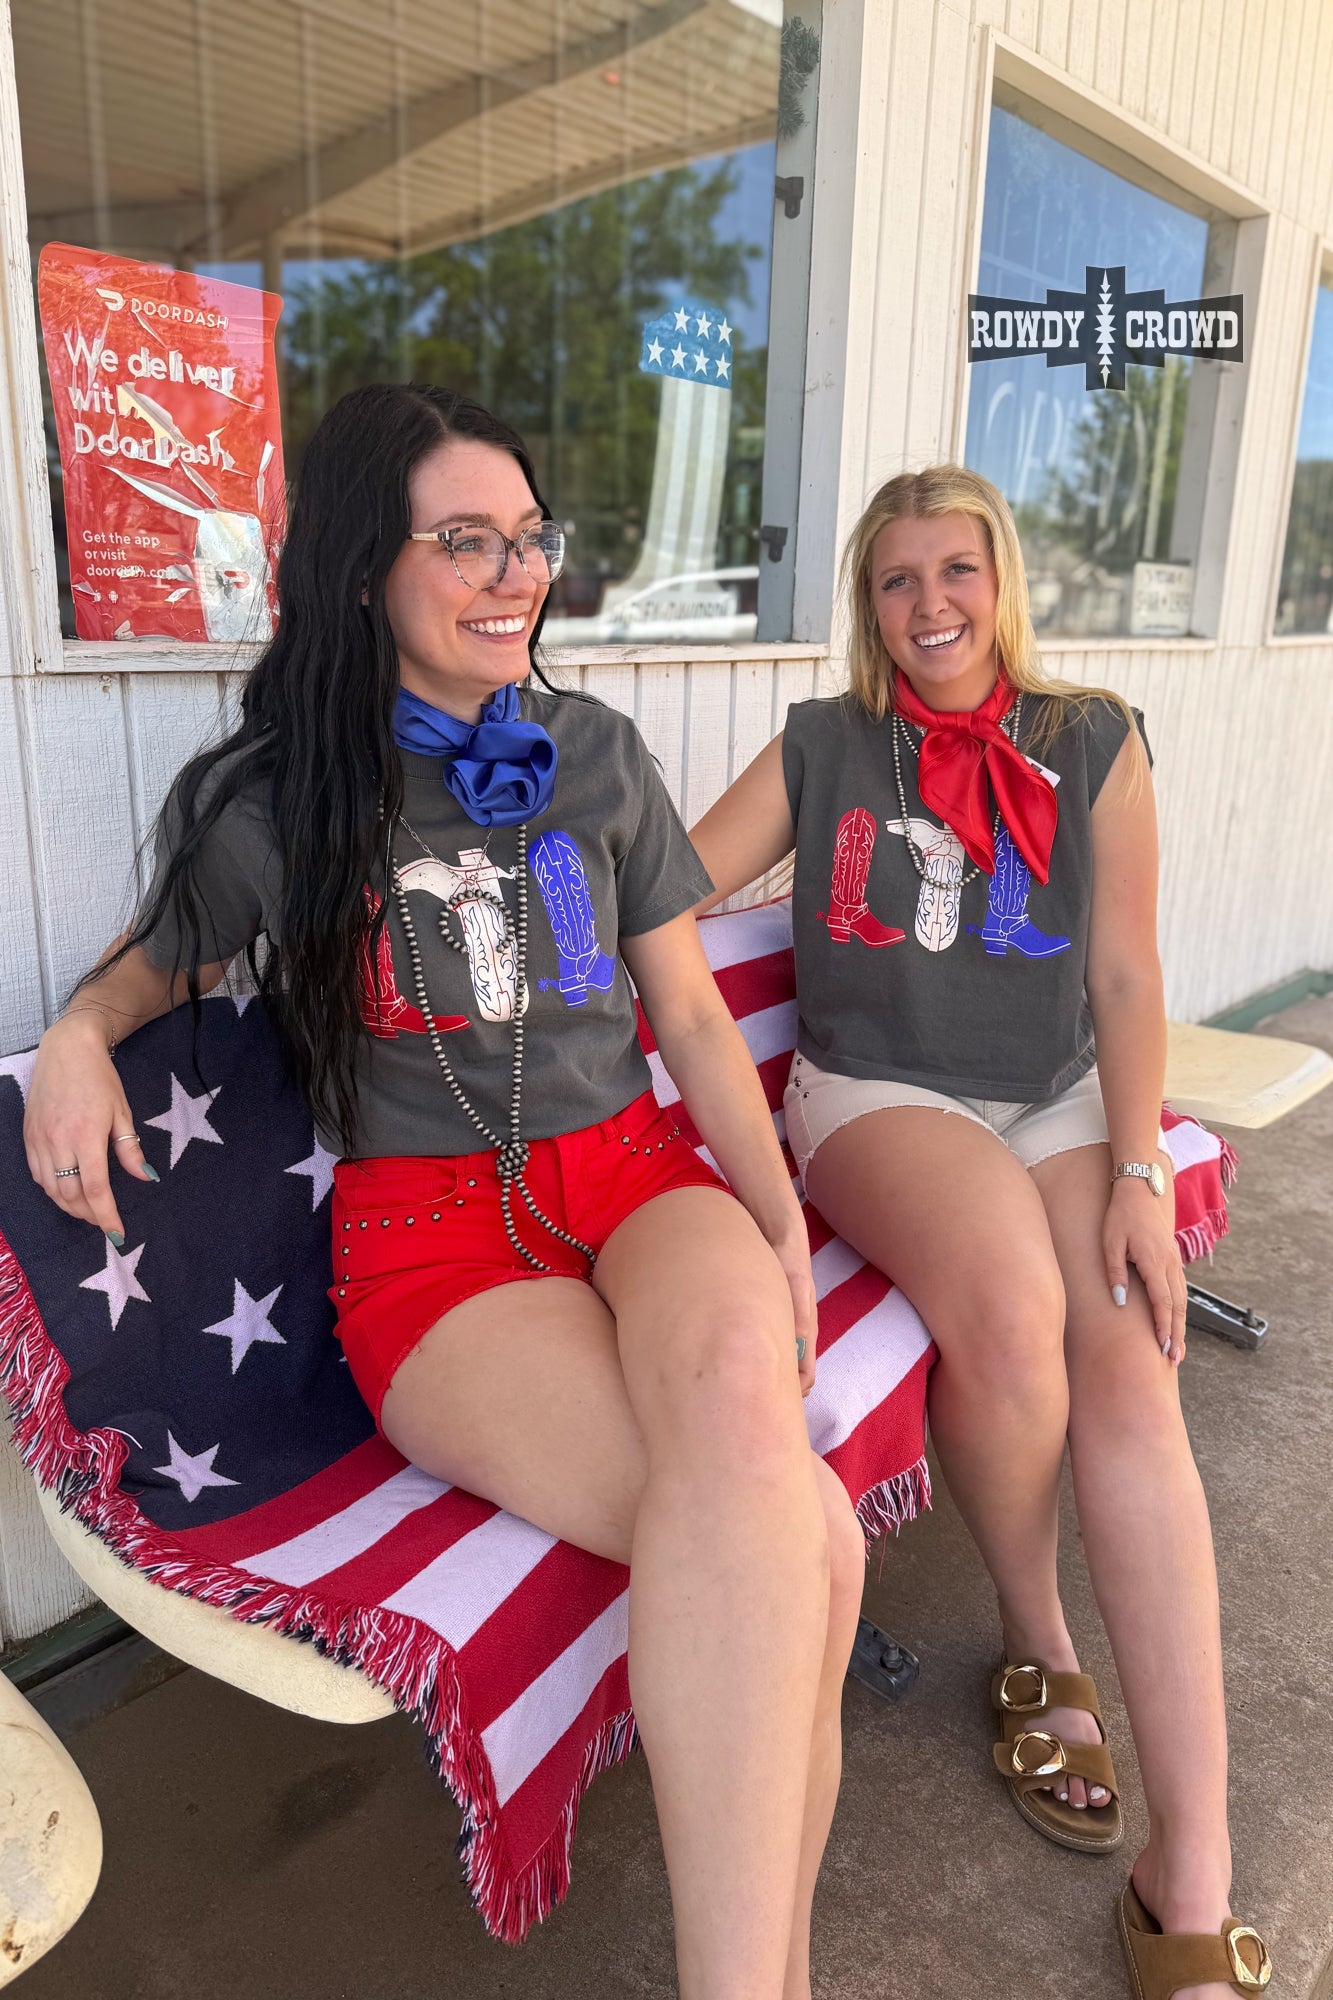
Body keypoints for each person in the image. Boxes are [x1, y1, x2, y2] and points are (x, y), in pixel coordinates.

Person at [23, 383, 869, 2000]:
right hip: (431, 1246)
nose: (511, 575)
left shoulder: (596, 755)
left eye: (527, 536)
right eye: (461, 540)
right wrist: (77, 1029)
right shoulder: (281, 795)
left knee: (750, 1466)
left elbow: (686, 1014)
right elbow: (159, 962)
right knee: (804, 1543)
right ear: (363, 573)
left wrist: (773, 1228)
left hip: (635, 1179)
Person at [690, 466, 1270, 2000]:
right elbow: (671, 883)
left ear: (1002, 577)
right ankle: (1037, 1638)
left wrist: (1139, 1171)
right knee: (1014, 1306)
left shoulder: (1090, 740)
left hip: (1059, 1099)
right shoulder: (824, 746)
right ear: (865, 604)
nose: (928, 605)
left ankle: (1190, 1873)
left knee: (1133, 1358)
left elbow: (1129, 979)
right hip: (877, 1089)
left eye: (955, 570)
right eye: (895, 579)